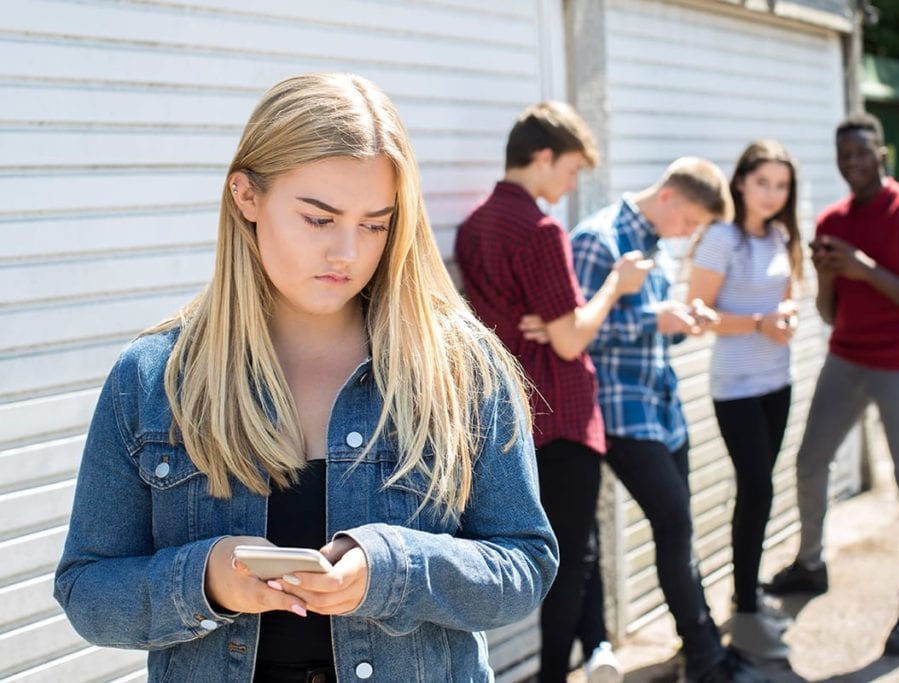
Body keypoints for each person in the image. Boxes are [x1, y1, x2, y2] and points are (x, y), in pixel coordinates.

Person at [53, 72, 558, 683]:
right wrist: (206, 578)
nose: (348, 252)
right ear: (246, 197)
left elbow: (524, 566)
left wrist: (392, 569)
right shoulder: (153, 379)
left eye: (375, 224)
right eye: (319, 219)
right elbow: (86, 591)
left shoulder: (463, 367)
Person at [455, 100, 643, 683]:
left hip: (507, 411)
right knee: (566, 555)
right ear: (542, 158)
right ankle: (560, 672)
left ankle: (598, 648)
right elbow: (569, 339)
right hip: (560, 412)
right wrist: (614, 286)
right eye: (570, 169)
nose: (571, 184)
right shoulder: (540, 230)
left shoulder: (472, 228)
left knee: (566, 545)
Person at [562, 157, 769, 683]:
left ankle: (702, 651)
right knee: (674, 523)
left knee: (680, 530)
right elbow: (577, 335)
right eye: (692, 221)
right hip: (617, 413)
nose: (690, 234)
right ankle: (705, 658)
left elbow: (648, 331)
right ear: (671, 197)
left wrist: (680, 323)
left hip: (662, 408)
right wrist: (656, 318)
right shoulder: (596, 239)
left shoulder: (657, 247)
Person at [764, 112, 899, 657]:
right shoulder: (832, 220)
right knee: (809, 461)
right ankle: (811, 563)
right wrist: (826, 277)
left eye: (863, 154)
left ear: (882, 154)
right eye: (845, 157)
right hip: (845, 360)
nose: (854, 164)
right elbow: (828, 312)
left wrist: (868, 269)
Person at [687, 140, 803, 660]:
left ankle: (747, 596)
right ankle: (746, 611)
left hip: (777, 382)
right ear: (740, 183)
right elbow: (699, 313)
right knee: (755, 489)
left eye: (781, 185)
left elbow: (786, 297)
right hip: (735, 387)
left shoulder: (780, 234)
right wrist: (759, 323)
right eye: (763, 183)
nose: (772, 194)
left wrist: (788, 317)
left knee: (762, 492)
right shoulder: (720, 238)